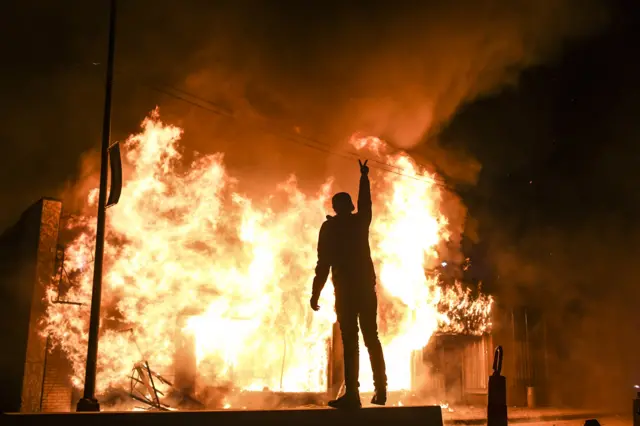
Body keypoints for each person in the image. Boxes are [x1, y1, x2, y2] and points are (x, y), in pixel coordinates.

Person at [310, 159, 387, 409]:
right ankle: (381, 389)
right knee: (371, 338)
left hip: (345, 291)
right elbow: (366, 203)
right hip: (365, 289)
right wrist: (364, 178)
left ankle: (353, 394)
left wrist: (315, 293)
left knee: (351, 342)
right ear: (351, 206)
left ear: (335, 207)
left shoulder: (329, 228)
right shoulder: (359, 222)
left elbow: (323, 263)